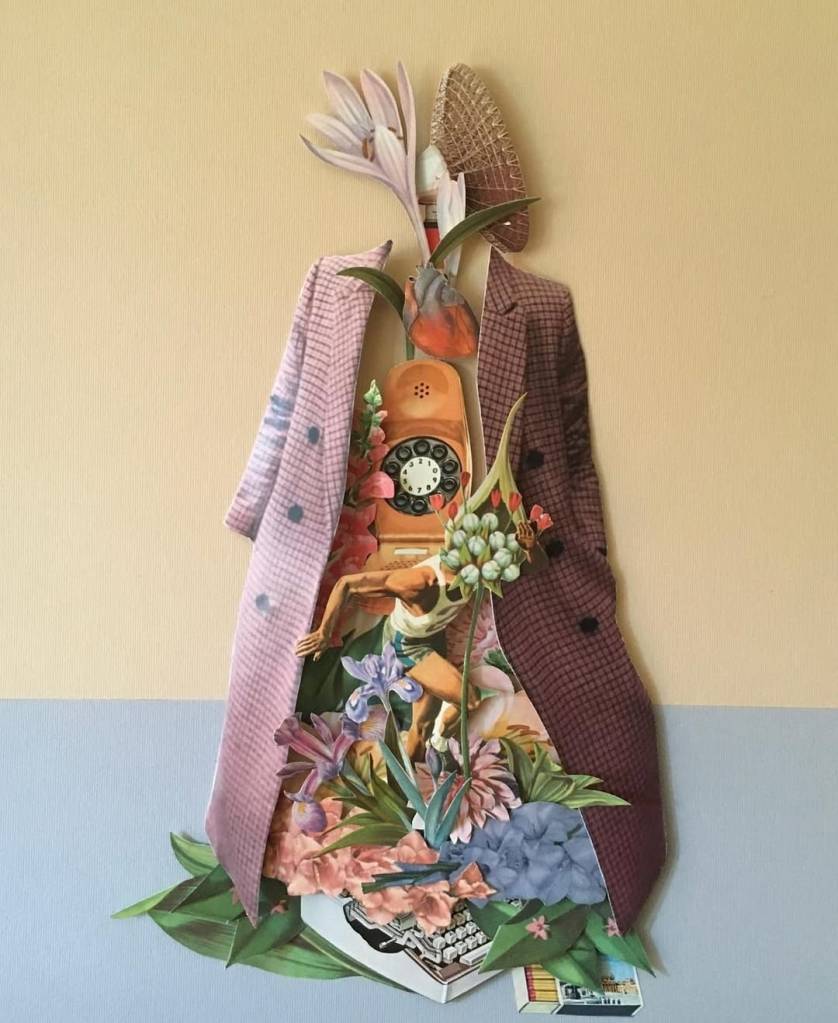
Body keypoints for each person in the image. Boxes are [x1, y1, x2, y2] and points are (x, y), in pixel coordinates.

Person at [295, 521, 538, 760]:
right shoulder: (418, 583)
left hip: (434, 643)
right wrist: (323, 632)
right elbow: (347, 584)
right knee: (469, 700)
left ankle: (412, 780)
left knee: (422, 728)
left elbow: (536, 567)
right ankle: (440, 741)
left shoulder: (481, 567)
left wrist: (530, 548)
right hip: (406, 647)